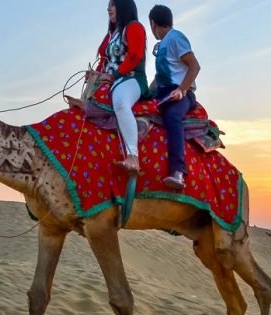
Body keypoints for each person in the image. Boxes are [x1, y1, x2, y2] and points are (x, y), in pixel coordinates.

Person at [75, 0, 148, 174]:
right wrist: (95, 74)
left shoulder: (134, 27)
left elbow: (135, 56)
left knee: (121, 102)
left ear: (123, 6)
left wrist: (113, 75)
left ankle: (133, 156)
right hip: (110, 81)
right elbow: (104, 61)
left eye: (113, 4)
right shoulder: (111, 34)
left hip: (131, 79)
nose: (109, 8)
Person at [148, 5, 201, 189]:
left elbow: (194, 66)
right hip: (162, 93)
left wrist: (182, 90)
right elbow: (160, 77)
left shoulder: (176, 38)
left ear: (153, 23)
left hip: (181, 94)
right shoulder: (162, 45)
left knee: (172, 116)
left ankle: (178, 171)